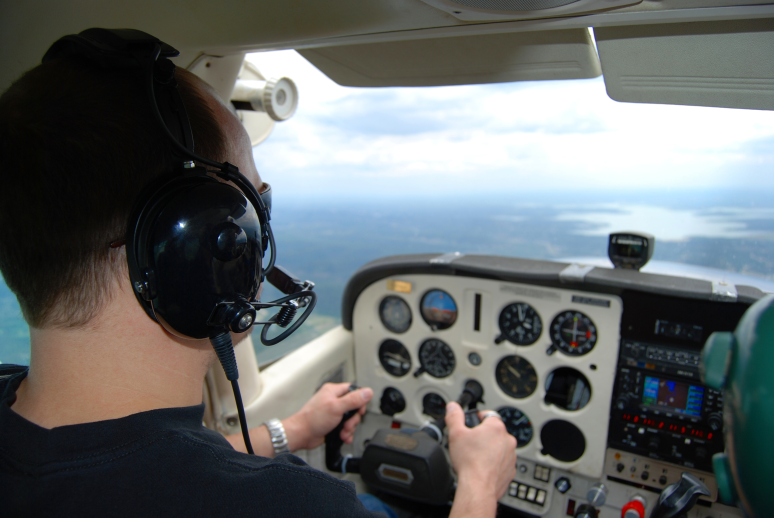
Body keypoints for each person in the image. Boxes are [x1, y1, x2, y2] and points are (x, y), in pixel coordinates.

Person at [0, 31, 517, 517]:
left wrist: (288, 431)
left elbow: (124, 464)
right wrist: (478, 483)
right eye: (250, 207)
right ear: (201, 246)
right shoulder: (289, 505)